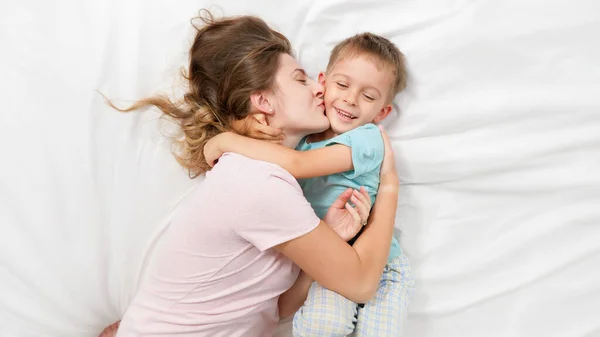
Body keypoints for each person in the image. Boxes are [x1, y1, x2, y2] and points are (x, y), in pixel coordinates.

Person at [99, 11, 399, 337]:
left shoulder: (258, 175)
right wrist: (389, 187)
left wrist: (328, 240)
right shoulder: (259, 182)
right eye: (301, 79)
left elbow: (275, 309)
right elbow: (361, 283)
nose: (318, 89)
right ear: (263, 101)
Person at [203, 32, 415, 336]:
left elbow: (300, 167)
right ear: (323, 83)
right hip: (331, 261)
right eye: (342, 85)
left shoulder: (366, 139)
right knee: (320, 326)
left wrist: (226, 141)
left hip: (382, 267)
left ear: (381, 112)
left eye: (368, 96)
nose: (350, 99)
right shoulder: (301, 141)